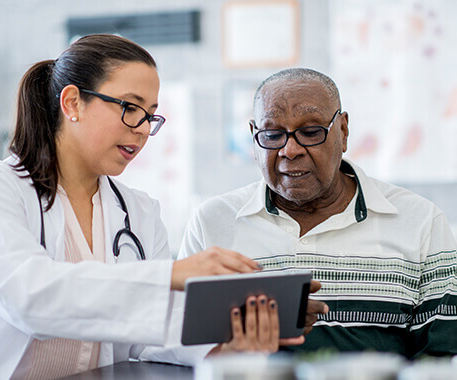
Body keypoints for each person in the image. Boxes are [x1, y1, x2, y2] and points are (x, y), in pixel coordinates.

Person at [0, 36, 325, 379]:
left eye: (150, 115)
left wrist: (228, 338)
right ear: (72, 103)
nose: (143, 129)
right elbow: (29, 298)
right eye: (130, 108)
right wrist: (169, 276)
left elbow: (149, 334)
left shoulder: (138, 211)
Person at [178, 68, 457, 359]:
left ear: (343, 131)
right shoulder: (212, 223)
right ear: (253, 136)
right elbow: (178, 349)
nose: (290, 150)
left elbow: (442, 359)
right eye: (273, 135)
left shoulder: (420, 222)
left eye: (311, 132)